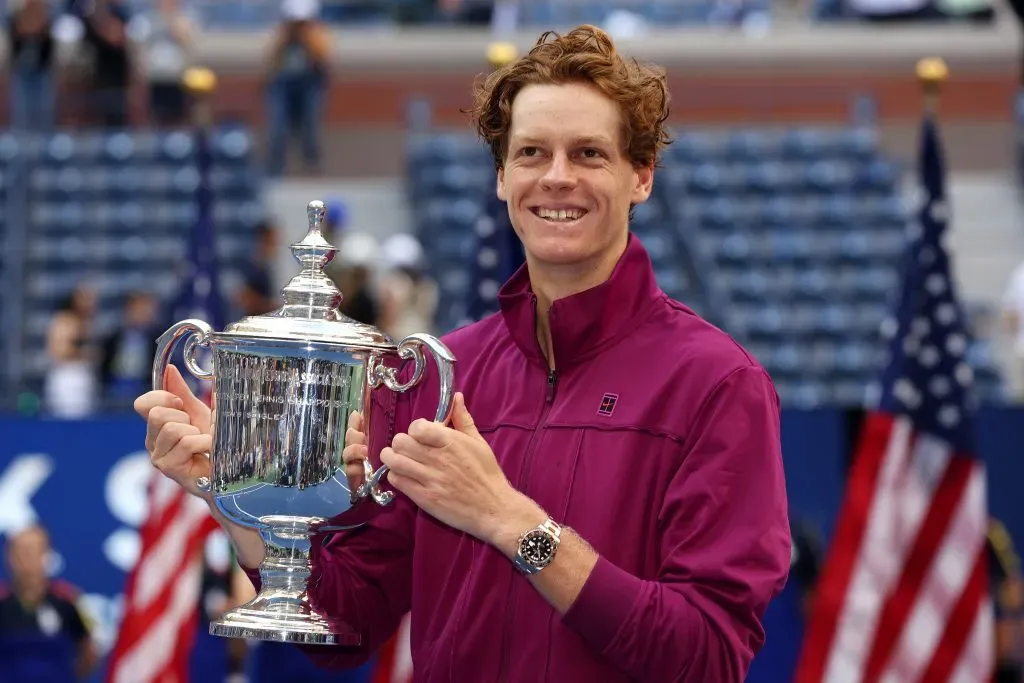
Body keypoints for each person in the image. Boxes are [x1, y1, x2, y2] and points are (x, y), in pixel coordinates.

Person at [135, 24, 791, 682]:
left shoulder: (716, 383)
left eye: (589, 154)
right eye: (531, 153)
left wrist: (511, 520)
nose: (557, 177)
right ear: (503, 176)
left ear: (640, 176)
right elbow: (345, 625)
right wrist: (239, 497)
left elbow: (707, 655)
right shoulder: (438, 374)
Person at [0, 525, 98, 682]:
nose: (27, 559)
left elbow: (88, 651)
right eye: (21, 552)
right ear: (9, 557)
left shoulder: (68, 600)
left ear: (46, 555)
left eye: (33, 552)